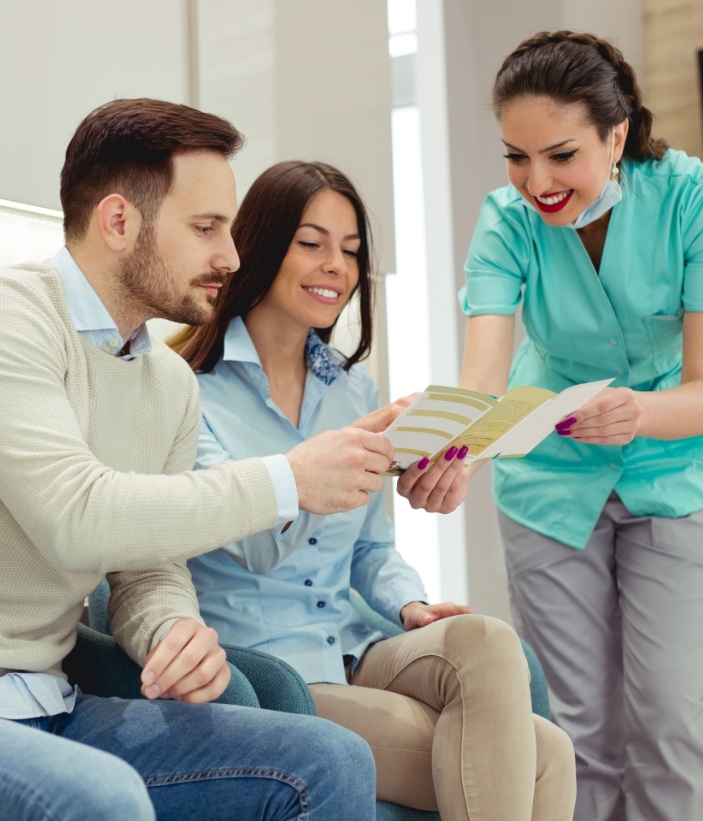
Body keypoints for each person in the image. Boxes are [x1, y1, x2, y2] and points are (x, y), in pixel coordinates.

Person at [0, 96, 429, 820]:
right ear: (120, 221)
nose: (233, 255)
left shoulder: (167, 383)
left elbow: (146, 565)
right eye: (206, 227)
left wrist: (170, 630)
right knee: (105, 796)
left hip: (51, 700)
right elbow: (76, 515)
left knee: (328, 757)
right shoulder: (3, 318)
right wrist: (289, 479)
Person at [170, 159, 577, 821]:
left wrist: (408, 603)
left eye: (351, 250)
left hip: (355, 641)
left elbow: (371, 550)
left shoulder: (351, 388)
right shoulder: (187, 389)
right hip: (270, 668)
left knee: (489, 643)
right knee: (543, 755)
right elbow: (254, 548)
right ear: (261, 244)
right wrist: (328, 460)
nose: (336, 264)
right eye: (312, 243)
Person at [459, 30, 703, 821]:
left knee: (670, 721)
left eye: (560, 155)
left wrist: (639, 413)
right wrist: (452, 452)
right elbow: (480, 383)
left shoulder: (687, 198)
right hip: (548, 480)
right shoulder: (504, 222)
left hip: (672, 468)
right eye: (515, 157)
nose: (536, 182)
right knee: (575, 732)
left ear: (616, 133)